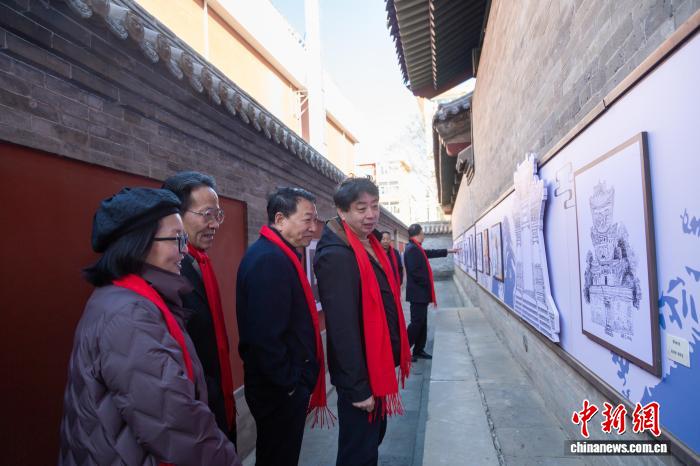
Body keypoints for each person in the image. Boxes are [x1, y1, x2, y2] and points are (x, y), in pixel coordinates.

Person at [59, 187, 241, 466]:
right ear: (140, 244)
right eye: (177, 239)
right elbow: (176, 422)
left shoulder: (134, 299)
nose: (184, 250)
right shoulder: (129, 315)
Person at [314, 177, 411, 466]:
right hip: (361, 374)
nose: (371, 215)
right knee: (358, 452)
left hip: (375, 363)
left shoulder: (370, 244)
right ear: (342, 212)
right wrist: (358, 387)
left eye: (375, 206)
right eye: (361, 208)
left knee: (372, 439)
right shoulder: (337, 256)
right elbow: (342, 328)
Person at [236, 187, 331, 466]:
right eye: (307, 220)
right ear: (280, 219)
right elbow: (264, 337)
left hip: (281, 387)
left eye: (315, 220)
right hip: (278, 391)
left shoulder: (279, 254)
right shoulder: (269, 260)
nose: (313, 228)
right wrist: (292, 386)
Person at [162, 171, 237, 445]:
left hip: (218, 402)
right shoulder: (168, 275)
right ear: (175, 216)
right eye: (207, 214)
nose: (214, 224)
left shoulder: (199, 263)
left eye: (218, 215)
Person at [404, 223, 458, 362]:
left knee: (422, 323)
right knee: (416, 324)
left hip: (421, 293)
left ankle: (418, 350)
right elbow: (414, 272)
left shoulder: (417, 248)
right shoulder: (412, 249)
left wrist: (449, 251)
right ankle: (403, 352)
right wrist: (427, 282)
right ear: (418, 233)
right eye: (422, 233)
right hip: (417, 294)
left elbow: (430, 253)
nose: (424, 235)